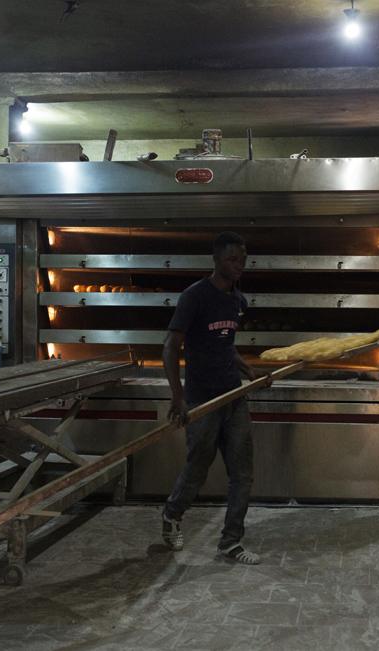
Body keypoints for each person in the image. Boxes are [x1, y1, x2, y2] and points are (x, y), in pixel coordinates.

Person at [160, 231, 270, 565]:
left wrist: (246, 369)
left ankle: (231, 542)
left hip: (234, 397)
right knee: (198, 466)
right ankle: (172, 513)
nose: (240, 266)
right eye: (233, 259)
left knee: (243, 473)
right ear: (216, 260)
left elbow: (224, 343)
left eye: (243, 260)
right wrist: (177, 398)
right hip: (202, 399)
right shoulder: (194, 297)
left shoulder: (238, 300)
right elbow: (170, 347)